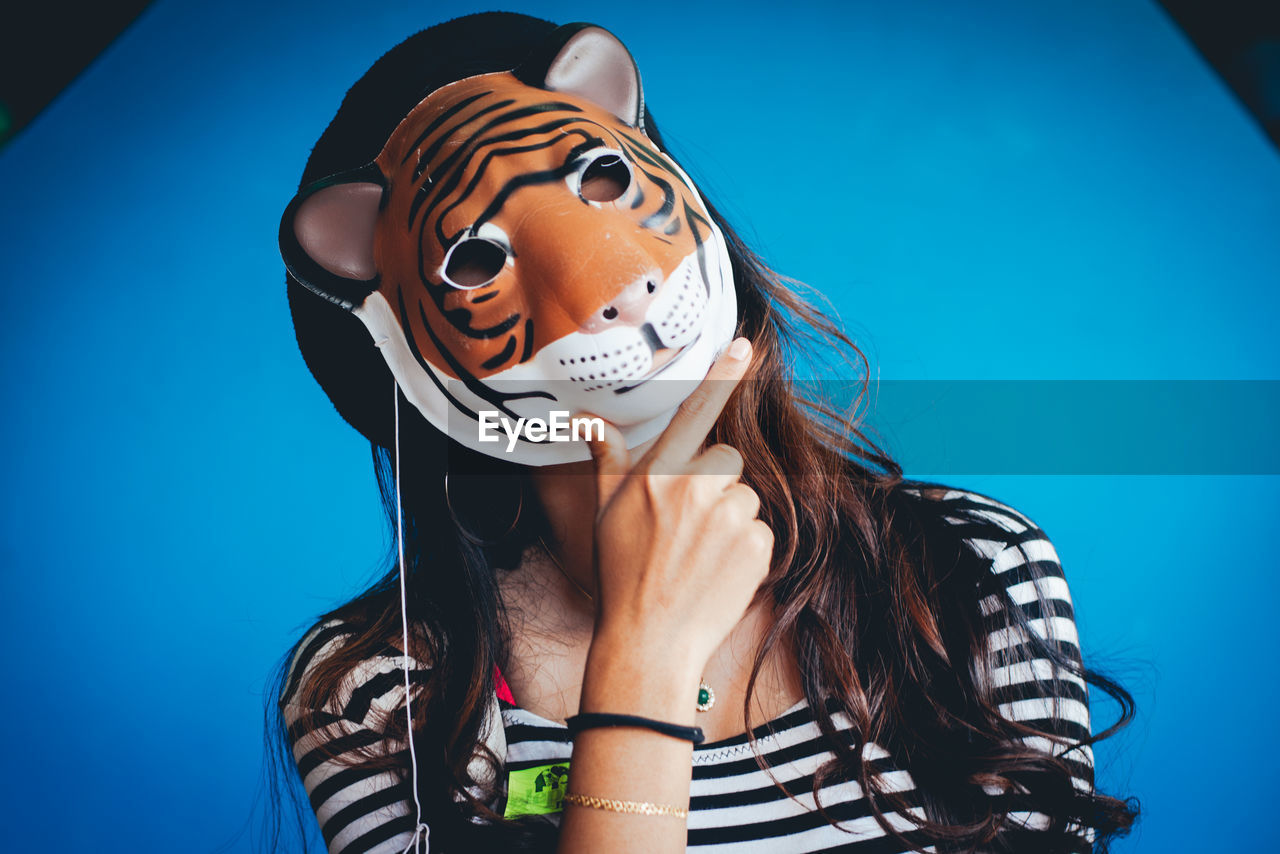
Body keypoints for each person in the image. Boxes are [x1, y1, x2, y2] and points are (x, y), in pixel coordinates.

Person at [268, 12, 1137, 854]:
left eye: (602, 177)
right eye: (478, 257)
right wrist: (646, 654)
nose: (614, 292)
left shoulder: (969, 571)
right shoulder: (375, 694)